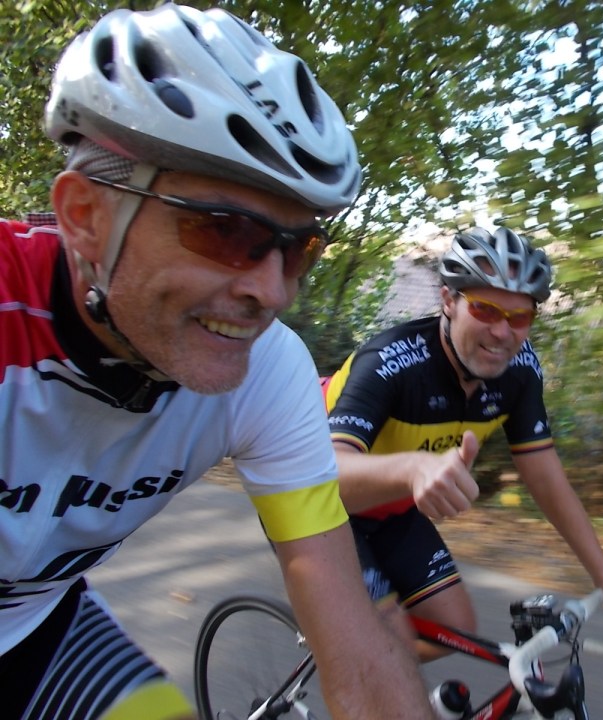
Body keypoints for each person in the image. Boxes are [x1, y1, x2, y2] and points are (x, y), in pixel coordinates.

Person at [0, 5, 433, 720]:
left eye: (298, 250)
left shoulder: (269, 372)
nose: (272, 291)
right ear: (86, 217)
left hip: (36, 631)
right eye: (225, 231)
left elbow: (356, 651)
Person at [324, 226, 603, 661]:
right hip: (319, 502)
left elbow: (545, 476)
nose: (502, 332)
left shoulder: (520, 370)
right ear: (448, 301)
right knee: (382, 650)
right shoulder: (389, 361)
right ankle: (349, 660)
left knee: (455, 631)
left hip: (390, 509)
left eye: (519, 317)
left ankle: (352, 661)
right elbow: (324, 473)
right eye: (485, 310)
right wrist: (413, 468)